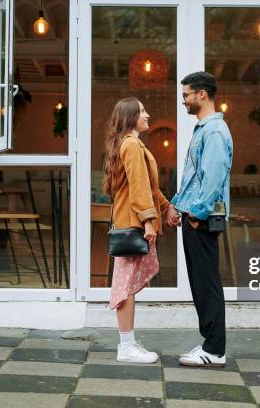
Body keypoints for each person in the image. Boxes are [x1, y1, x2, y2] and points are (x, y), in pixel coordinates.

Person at [103, 97, 179, 363]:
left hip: (130, 221)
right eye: (143, 111)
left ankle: (129, 341)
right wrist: (148, 219)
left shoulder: (128, 144)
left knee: (127, 286)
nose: (148, 114)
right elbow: (138, 186)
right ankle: (126, 346)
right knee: (125, 287)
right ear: (131, 116)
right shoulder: (132, 144)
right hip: (133, 224)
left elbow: (148, 185)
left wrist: (167, 207)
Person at [168, 72, 233, 367]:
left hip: (202, 220)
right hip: (195, 216)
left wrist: (195, 214)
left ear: (202, 94)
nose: (183, 100)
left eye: (186, 95)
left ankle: (215, 350)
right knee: (200, 283)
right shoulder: (203, 129)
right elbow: (194, 179)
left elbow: (213, 179)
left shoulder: (215, 131)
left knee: (207, 284)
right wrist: (175, 205)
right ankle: (209, 345)